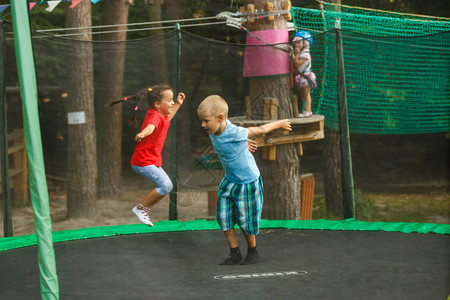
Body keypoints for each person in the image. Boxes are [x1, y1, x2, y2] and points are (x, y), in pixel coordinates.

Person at [197, 95, 291, 265]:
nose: (202, 125)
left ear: (220, 118)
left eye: (205, 121)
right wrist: (243, 142)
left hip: (247, 181)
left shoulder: (234, 132)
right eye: (202, 121)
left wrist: (280, 123)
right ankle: (235, 253)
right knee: (223, 216)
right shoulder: (213, 129)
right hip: (230, 180)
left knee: (245, 219)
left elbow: (261, 129)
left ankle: (253, 251)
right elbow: (228, 133)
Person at [109, 85, 186, 226]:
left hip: (149, 161)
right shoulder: (155, 116)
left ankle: (143, 209)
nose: (172, 102)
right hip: (142, 162)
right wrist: (143, 134)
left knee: (166, 186)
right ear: (157, 104)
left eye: (172, 100)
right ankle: (140, 209)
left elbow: (168, 119)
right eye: (169, 100)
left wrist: (179, 104)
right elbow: (151, 127)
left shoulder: (161, 115)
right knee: (166, 185)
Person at [291, 31, 317, 118]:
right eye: (295, 43)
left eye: (299, 42)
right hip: (301, 77)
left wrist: (297, 54)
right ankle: (306, 110)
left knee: (306, 95)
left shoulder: (305, 54)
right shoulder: (302, 53)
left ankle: (308, 111)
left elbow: (297, 63)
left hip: (306, 77)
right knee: (303, 95)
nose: (296, 45)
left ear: (305, 43)